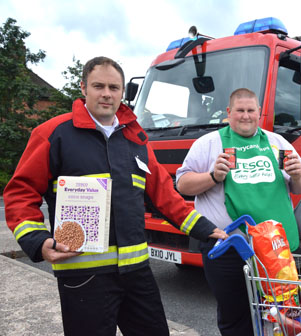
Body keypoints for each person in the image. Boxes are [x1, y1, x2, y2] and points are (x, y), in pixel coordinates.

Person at [3, 56, 227, 336]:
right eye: (99, 86)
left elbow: (165, 197)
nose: (107, 94)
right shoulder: (54, 134)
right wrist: (38, 241)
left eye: (114, 87)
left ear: (123, 93)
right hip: (82, 276)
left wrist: (208, 229)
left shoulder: (137, 139)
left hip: (137, 275)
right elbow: (20, 192)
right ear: (83, 88)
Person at [176, 88, 301, 336]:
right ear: (229, 113)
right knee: (235, 316)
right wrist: (213, 176)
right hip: (230, 247)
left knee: (283, 314)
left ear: (260, 112)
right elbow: (182, 184)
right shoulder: (208, 143)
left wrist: (298, 174)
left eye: (251, 110)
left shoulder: (277, 142)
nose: (246, 116)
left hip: (276, 249)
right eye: (240, 110)